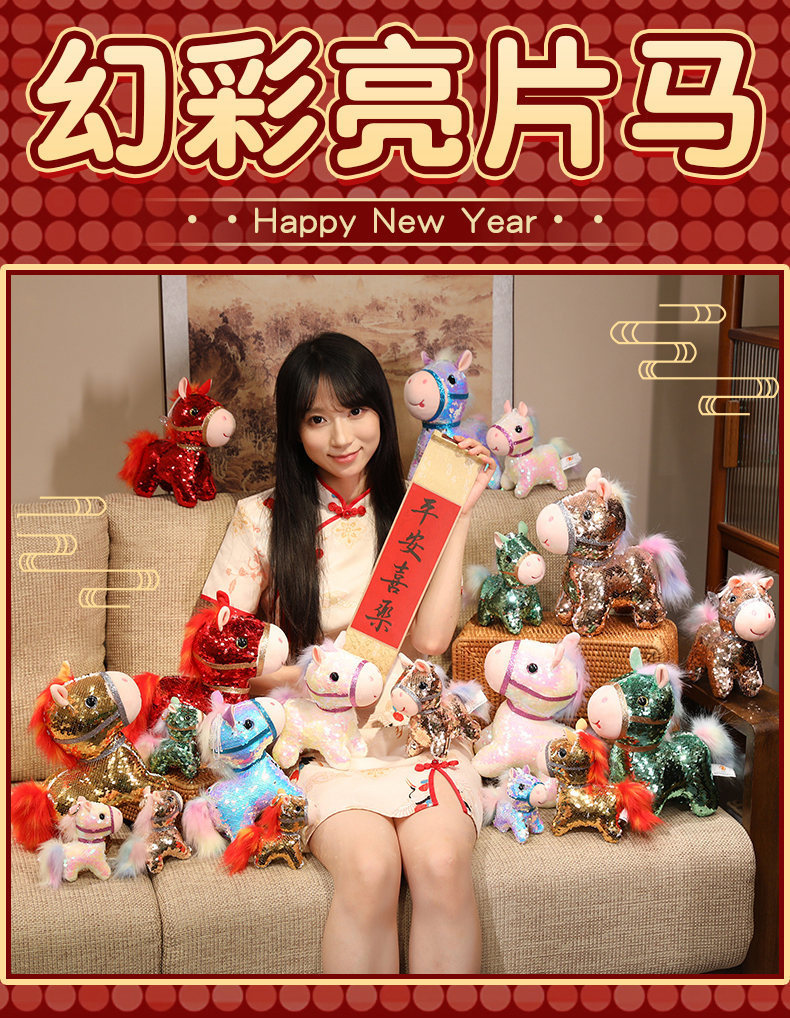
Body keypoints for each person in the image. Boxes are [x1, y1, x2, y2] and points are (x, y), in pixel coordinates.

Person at [204, 332, 495, 974]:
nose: (341, 437)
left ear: (381, 414)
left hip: (416, 735)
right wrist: (315, 677)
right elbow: (215, 659)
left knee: (441, 862)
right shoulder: (261, 519)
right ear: (294, 430)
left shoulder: (415, 506)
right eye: (317, 419)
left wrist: (458, 512)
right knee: (369, 868)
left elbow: (430, 643)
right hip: (321, 744)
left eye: (355, 411)